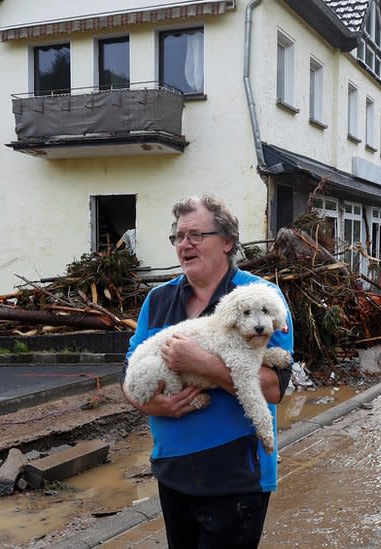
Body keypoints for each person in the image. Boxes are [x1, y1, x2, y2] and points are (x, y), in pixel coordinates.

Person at [122, 195, 294, 548]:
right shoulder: (157, 301)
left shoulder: (259, 300)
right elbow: (127, 376)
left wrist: (202, 364)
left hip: (235, 477)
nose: (185, 244)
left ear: (227, 241)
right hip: (173, 472)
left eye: (196, 235)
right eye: (179, 237)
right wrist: (150, 405)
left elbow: (275, 388)